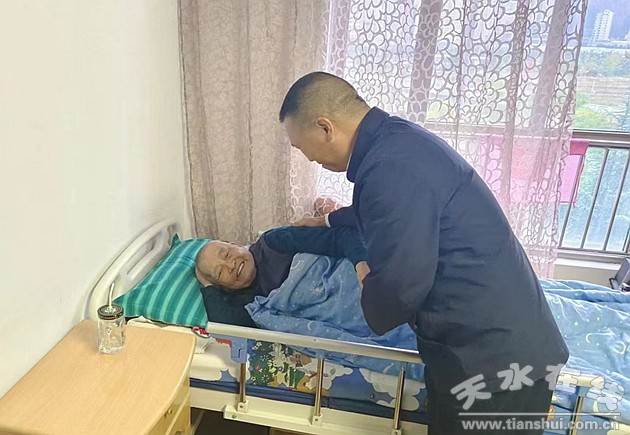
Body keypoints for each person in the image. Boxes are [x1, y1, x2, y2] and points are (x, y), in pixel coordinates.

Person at [280, 71, 569, 434]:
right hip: (498, 346)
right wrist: (327, 220)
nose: (307, 158)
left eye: (299, 147)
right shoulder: (396, 142)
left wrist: (366, 278)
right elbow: (388, 210)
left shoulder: (388, 168)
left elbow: (402, 288)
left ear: (325, 128)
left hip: (492, 363)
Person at [196, 225, 367, 327]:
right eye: (220, 272)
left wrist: (361, 264)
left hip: (354, 279)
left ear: (236, 245)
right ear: (222, 287)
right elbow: (226, 322)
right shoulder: (247, 302)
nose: (231, 265)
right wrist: (207, 284)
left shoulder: (273, 242)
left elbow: (339, 237)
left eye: (226, 254)